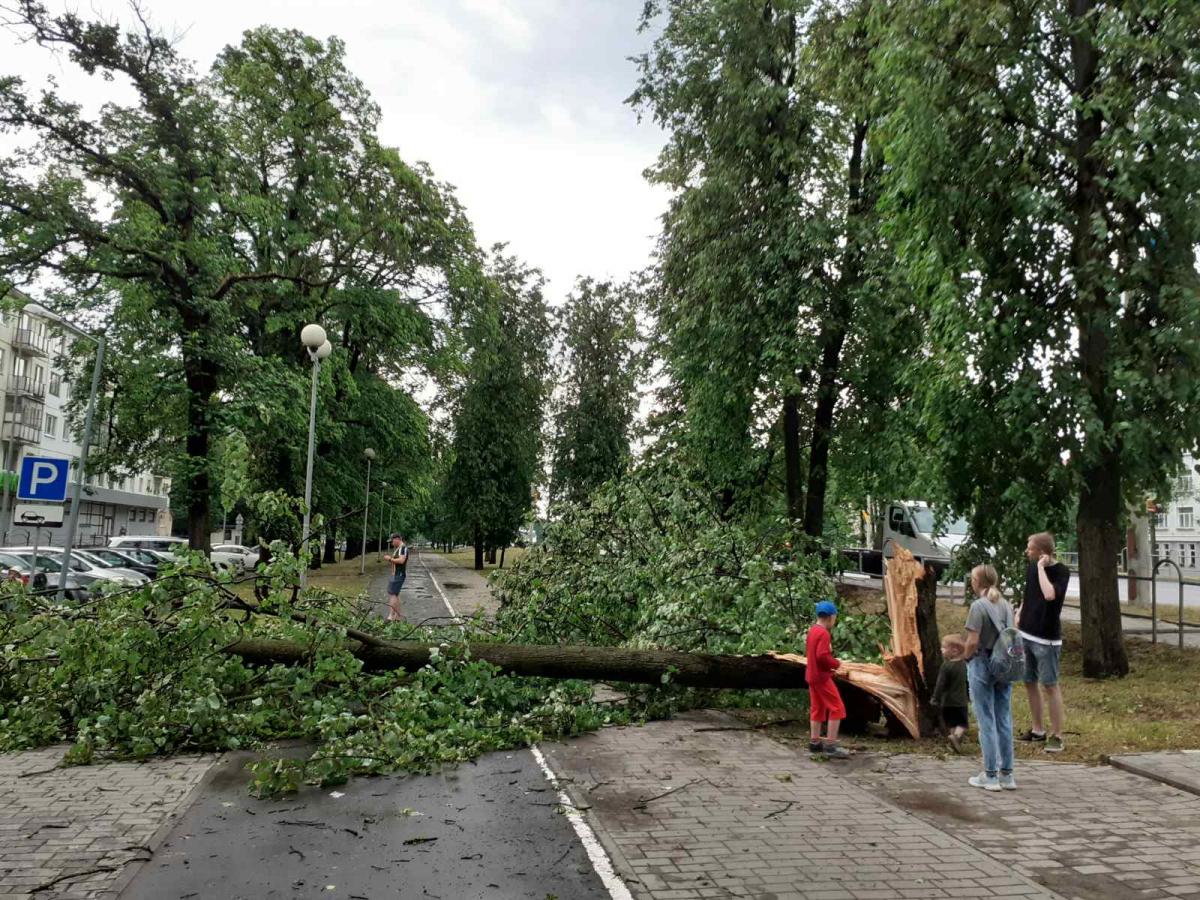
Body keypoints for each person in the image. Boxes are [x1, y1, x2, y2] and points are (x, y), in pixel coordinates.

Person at [963, 564, 1017, 791]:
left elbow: (973, 641)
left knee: (986, 720)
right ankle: (1007, 774)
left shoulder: (978, 607)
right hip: (1004, 666)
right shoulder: (1005, 605)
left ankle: (990, 775)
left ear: (978, 582)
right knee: (1004, 718)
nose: (971, 582)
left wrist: (966, 658)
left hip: (983, 663)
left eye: (972, 578)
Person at [1016, 531, 1070, 753]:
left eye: (1030, 548)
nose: (1026, 551)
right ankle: (1037, 730)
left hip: (1046, 639)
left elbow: (1049, 595)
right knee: (1029, 681)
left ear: (1042, 552)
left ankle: (1057, 736)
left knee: (1049, 685)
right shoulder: (1030, 567)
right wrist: (1019, 613)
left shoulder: (1061, 572)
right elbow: (1029, 594)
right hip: (1027, 633)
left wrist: (1041, 568)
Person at [806, 599, 851, 760]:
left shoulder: (812, 631)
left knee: (817, 708)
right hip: (822, 677)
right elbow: (822, 655)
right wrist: (836, 664)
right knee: (837, 707)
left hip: (811, 675)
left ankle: (815, 742)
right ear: (831, 617)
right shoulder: (824, 633)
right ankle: (831, 746)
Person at [932, 635, 969, 754]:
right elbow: (968, 683)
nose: (941, 650)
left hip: (947, 702)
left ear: (954, 650)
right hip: (961, 702)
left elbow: (940, 685)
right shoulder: (965, 666)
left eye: (944, 648)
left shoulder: (946, 666)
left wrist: (935, 698)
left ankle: (953, 741)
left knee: (951, 723)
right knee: (962, 724)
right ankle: (956, 738)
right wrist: (969, 696)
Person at [384, 533, 408, 622]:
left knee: (393, 594)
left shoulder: (403, 548)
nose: (391, 543)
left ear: (397, 539)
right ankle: (397, 616)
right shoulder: (398, 548)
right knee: (395, 594)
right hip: (396, 574)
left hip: (399, 574)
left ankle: (390, 616)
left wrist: (389, 559)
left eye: (392, 541)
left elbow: (401, 561)